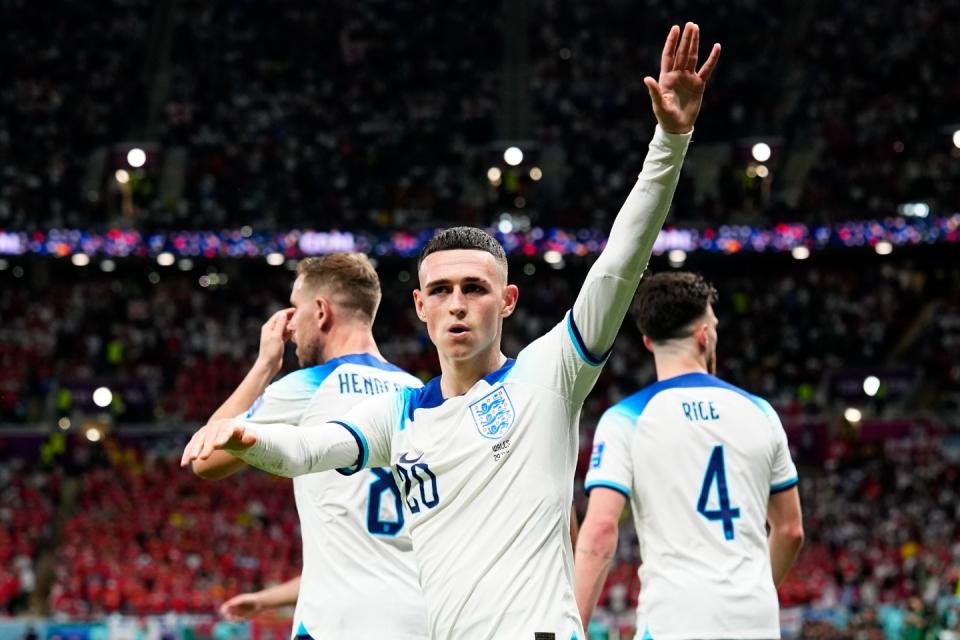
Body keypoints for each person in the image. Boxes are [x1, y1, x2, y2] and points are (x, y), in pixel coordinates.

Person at [182, 22, 720, 639]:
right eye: (441, 291)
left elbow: (619, 263)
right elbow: (308, 450)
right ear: (418, 306)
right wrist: (248, 434)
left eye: (475, 289)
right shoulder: (398, 414)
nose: (457, 304)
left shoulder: (550, 377)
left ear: (508, 301)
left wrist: (670, 140)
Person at [190, 253, 428, 639]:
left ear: (320, 311)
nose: (291, 327)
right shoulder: (418, 394)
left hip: (338, 623)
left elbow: (205, 458)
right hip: (418, 618)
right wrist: (268, 600)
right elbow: (370, 548)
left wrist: (265, 365)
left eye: (294, 310)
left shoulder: (312, 385)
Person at [574, 271, 804, 639]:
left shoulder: (624, 419)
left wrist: (573, 628)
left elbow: (601, 528)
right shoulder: (760, 413)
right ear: (704, 336)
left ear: (649, 342)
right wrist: (754, 591)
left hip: (674, 620)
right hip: (755, 620)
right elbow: (790, 530)